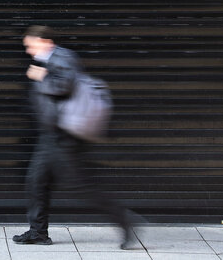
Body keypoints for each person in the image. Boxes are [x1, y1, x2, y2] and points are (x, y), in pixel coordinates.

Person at [12, 25, 134, 249]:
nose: (28, 50)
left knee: (82, 188)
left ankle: (125, 220)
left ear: (46, 41)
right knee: (36, 182)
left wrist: (41, 76)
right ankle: (38, 232)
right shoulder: (50, 59)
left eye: (31, 45)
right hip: (49, 136)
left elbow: (63, 85)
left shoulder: (63, 56)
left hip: (64, 137)